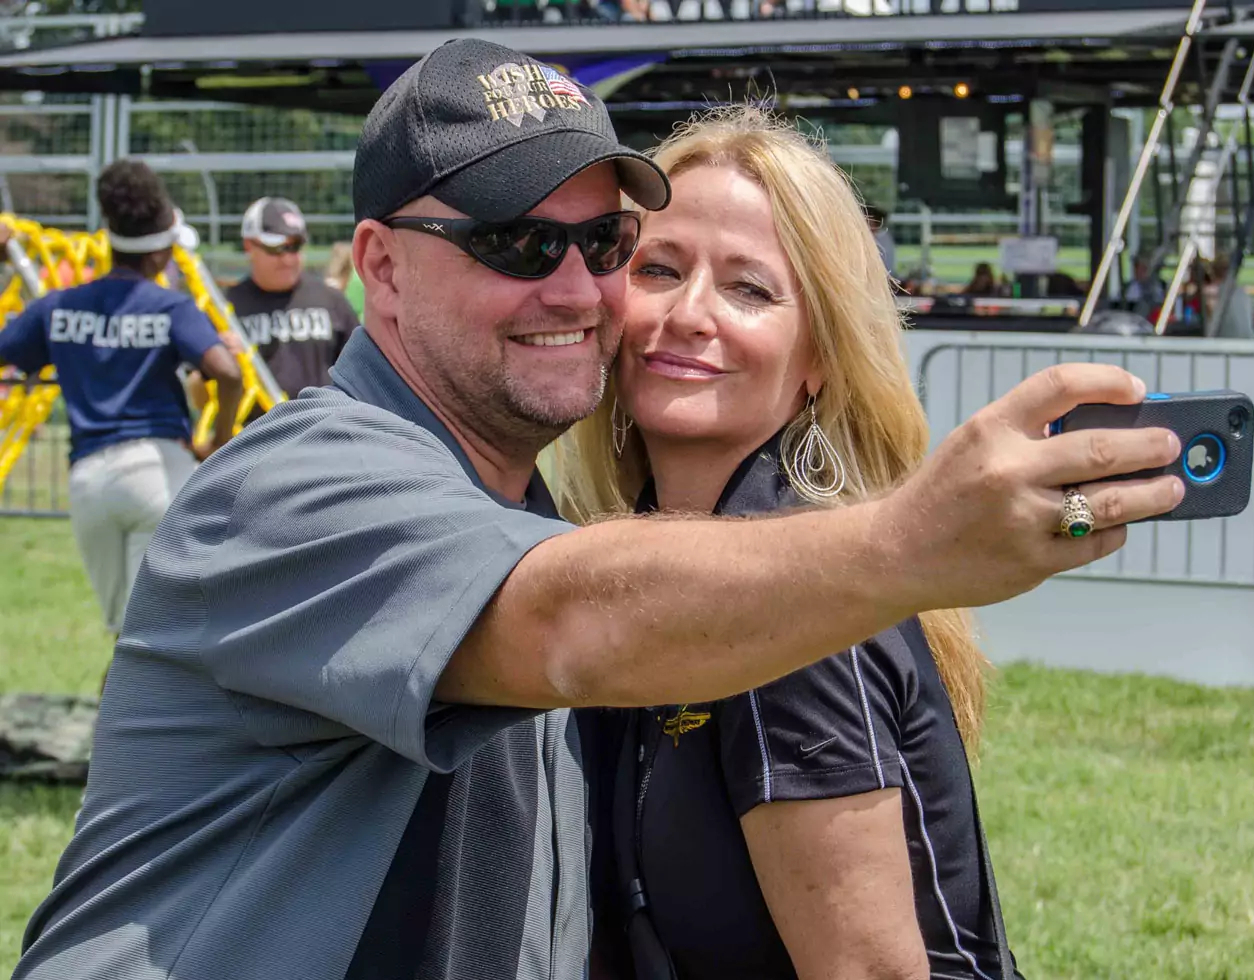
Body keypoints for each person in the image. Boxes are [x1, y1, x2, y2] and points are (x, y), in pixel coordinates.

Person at [12, 41, 1183, 980]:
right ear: (380, 265)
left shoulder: (552, 520)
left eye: (606, 242)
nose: (578, 289)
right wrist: (911, 539)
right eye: (516, 241)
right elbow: (570, 622)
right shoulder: (299, 484)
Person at [557, 106, 1023, 980]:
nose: (690, 313)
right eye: (659, 268)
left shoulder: (798, 610)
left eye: (749, 289)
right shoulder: (648, 565)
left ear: (819, 358)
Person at [0, 161, 242, 639]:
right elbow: (228, 372)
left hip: (89, 481)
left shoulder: (58, 306)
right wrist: (218, 441)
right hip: (159, 471)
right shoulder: (170, 307)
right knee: (159, 636)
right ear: (162, 252)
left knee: (125, 634)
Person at [225, 196, 360, 401]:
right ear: (249, 246)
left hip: (323, 420)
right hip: (256, 421)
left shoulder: (331, 302)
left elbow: (362, 374)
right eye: (276, 248)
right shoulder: (226, 308)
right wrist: (225, 369)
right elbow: (198, 396)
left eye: (295, 246)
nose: (288, 259)